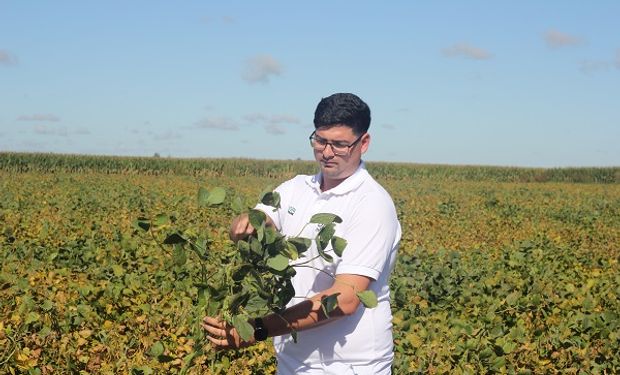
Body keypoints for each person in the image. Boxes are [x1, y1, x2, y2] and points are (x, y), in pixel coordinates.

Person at [203, 93, 401, 375]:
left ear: (364, 143)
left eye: (340, 144)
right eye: (320, 141)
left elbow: (345, 299)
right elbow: (262, 220)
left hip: (350, 367)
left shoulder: (371, 204)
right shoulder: (296, 188)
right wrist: (246, 224)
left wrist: (258, 328)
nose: (327, 152)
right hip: (293, 361)